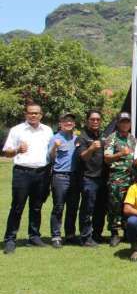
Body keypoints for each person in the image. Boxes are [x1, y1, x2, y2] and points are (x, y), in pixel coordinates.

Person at [3, 102, 53, 254]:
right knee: (17, 206)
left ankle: (34, 236)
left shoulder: (47, 130)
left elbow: (51, 152)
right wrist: (18, 149)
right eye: (30, 113)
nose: (33, 115)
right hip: (22, 173)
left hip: (42, 172)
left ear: (41, 115)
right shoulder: (17, 130)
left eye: (36, 113)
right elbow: (6, 152)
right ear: (26, 114)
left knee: (37, 207)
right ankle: (10, 239)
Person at [103, 112, 137, 247]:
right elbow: (106, 158)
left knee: (128, 205)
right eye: (122, 122)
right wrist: (120, 153)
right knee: (115, 206)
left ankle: (127, 232)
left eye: (127, 122)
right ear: (117, 123)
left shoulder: (132, 138)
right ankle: (114, 233)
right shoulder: (112, 138)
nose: (125, 124)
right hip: (117, 179)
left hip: (130, 178)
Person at [48, 112, 80, 249]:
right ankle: (56, 235)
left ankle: (70, 235)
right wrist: (55, 146)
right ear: (60, 123)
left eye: (71, 121)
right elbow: (51, 158)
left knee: (72, 207)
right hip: (60, 176)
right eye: (65, 121)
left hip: (75, 176)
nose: (68, 123)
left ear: (74, 124)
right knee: (59, 207)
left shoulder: (77, 139)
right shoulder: (55, 138)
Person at [76, 109, 106, 247]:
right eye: (92, 119)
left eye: (98, 119)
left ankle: (97, 235)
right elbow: (83, 157)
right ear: (87, 120)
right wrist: (92, 148)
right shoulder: (82, 137)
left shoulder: (103, 135)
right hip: (89, 178)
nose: (95, 122)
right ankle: (85, 237)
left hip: (103, 178)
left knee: (100, 209)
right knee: (87, 208)